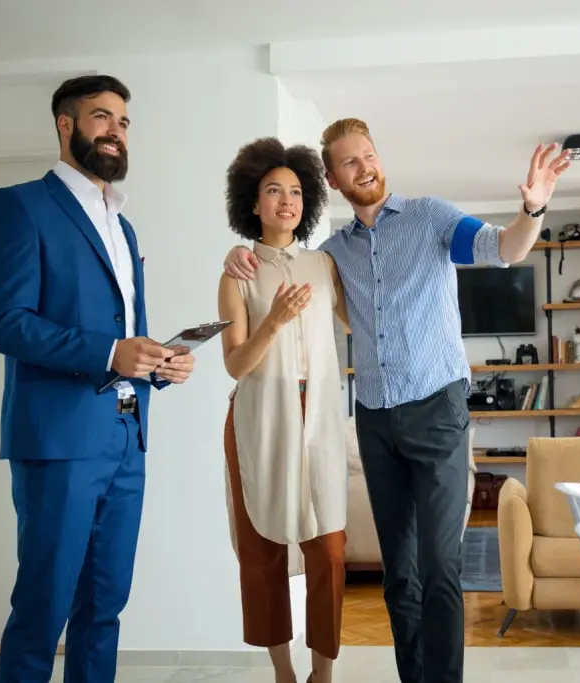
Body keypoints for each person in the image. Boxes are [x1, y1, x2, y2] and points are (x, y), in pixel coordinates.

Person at [223, 118, 570, 683]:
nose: (365, 167)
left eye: (369, 155)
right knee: (399, 575)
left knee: (440, 568)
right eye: (350, 162)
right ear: (333, 180)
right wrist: (237, 259)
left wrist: (532, 210)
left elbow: (504, 248)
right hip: (376, 420)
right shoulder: (333, 255)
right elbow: (278, 276)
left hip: (437, 410)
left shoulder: (430, 217)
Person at [0, 74, 195, 683]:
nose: (116, 132)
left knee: (104, 607)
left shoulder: (123, 226)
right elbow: (3, 322)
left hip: (127, 439)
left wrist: (161, 363)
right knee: (42, 607)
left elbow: (127, 333)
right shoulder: (19, 206)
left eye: (123, 122)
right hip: (59, 442)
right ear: (66, 124)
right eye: (102, 117)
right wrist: (108, 353)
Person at [217, 137, 349, 683]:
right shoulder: (238, 273)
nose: (286, 201)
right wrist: (271, 321)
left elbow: (359, 322)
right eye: (273, 191)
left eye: (295, 192)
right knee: (262, 550)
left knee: (329, 548)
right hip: (259, 417)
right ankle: (283, 673)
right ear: (253, 203)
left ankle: (323, 673)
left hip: (319, 414)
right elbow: (235, 364)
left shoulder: (324, 265)